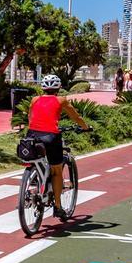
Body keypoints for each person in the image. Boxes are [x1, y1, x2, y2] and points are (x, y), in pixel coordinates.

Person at [23, 74, 91, 221]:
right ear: (59, 88)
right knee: (56, 171)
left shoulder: (35, 100)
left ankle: (34, 182)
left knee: (36, 160)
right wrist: (85, 127)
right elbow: (76, 117)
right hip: (51, 137)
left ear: (43, 88)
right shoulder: (61, 100)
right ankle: (58, 206)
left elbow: (30, 116)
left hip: (32, 135)